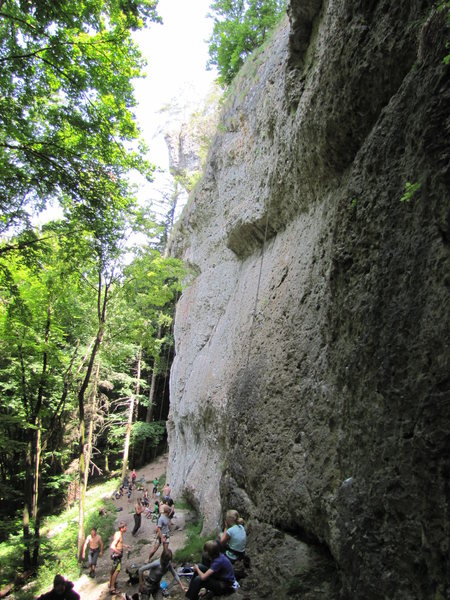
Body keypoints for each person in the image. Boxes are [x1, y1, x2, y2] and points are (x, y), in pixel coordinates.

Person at [109, 521, 130, 594]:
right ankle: (112, 588)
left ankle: (111, 584)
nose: (126, 528)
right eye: (125, 527)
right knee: (117, 570)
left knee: (113, 570)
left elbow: (119, 543)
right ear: (121, 528)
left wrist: (124, 545)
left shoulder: (118, 533)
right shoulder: (118, 535)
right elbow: (112, 546)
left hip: (116, 554)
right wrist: (118, 553)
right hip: (117, 555)